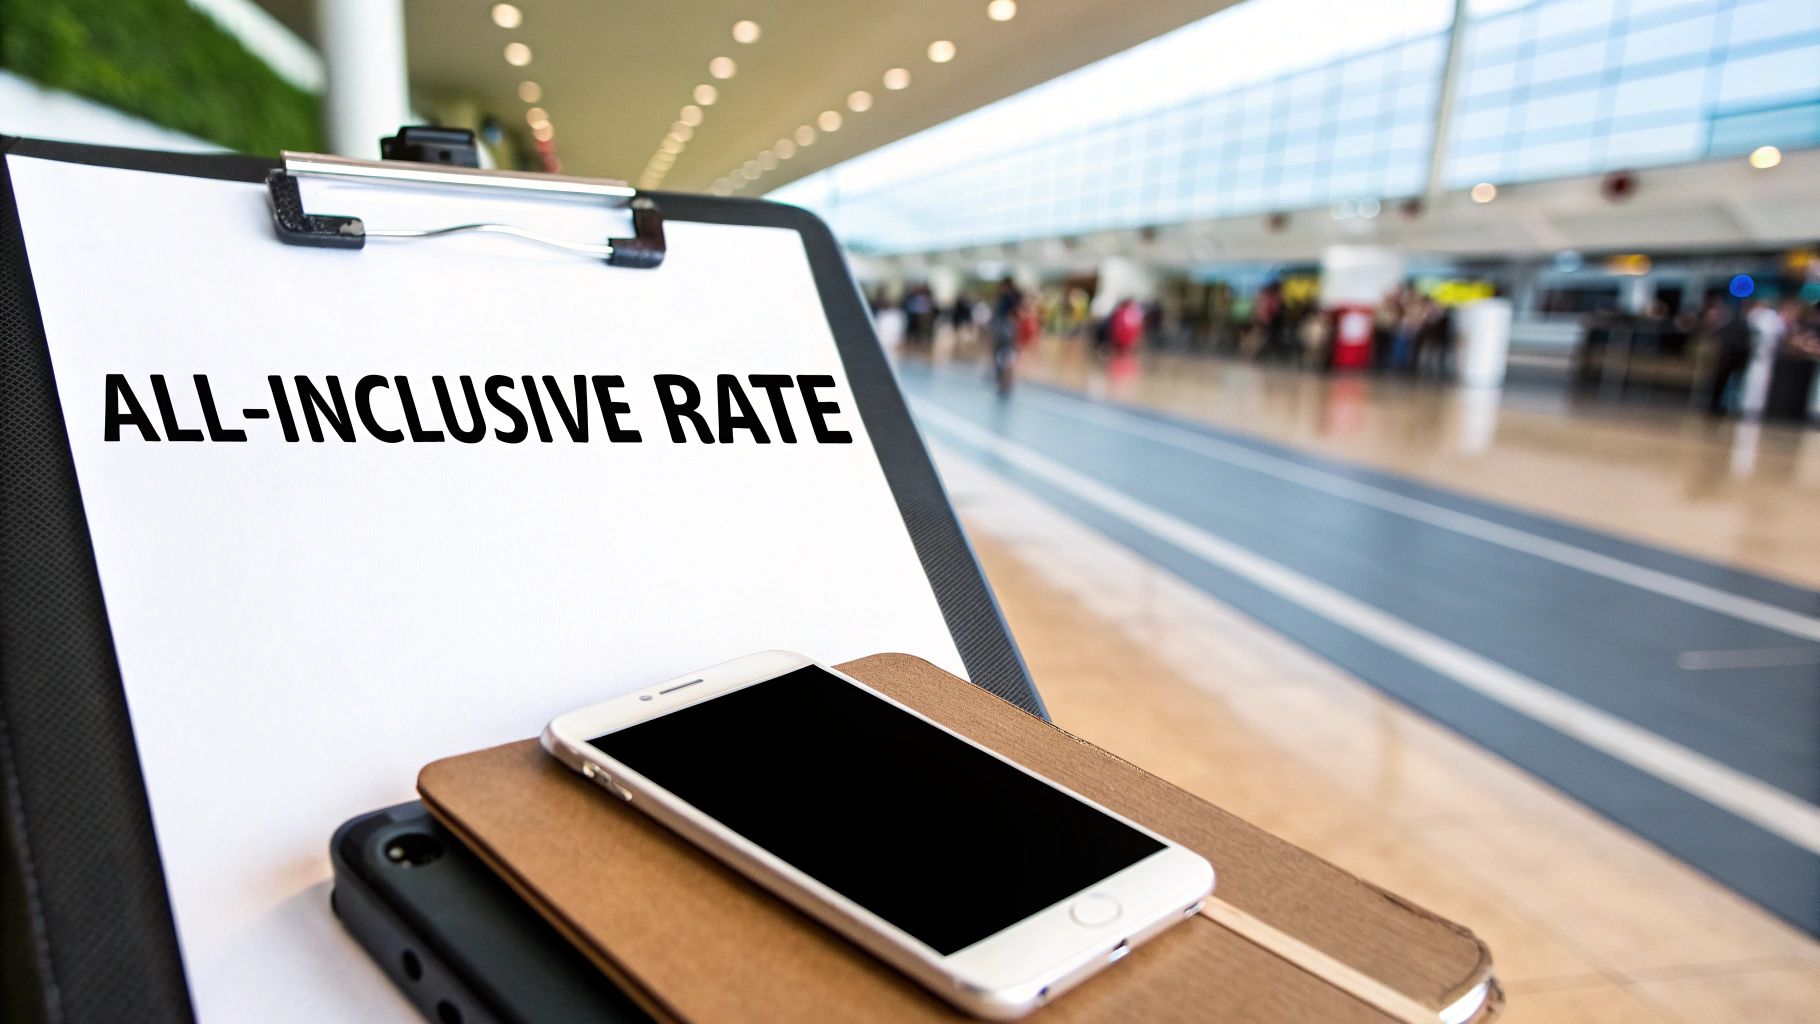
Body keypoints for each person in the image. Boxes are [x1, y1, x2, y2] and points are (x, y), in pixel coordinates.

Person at [1704, 301, 1753, 416]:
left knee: (1725, 383)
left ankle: (1722, 405)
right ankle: (1720, 405)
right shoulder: (1739, 324)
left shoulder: (1734, 324)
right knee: (1724, 383)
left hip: (1729, 358)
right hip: (1729, 358)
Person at [990, 277, 1023, 396]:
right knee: (998, 355)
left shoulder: (1014, 297)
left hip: (1006, 330)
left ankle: (1006, 381)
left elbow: (1016, 313)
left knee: (1007, 356)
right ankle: (1000, 379)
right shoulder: (1002, 297)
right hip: (1000, 329)